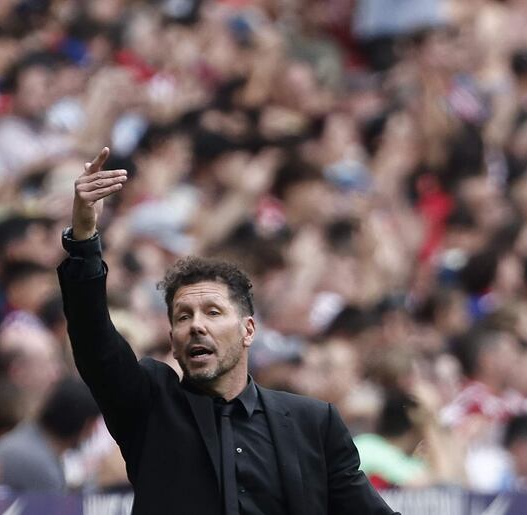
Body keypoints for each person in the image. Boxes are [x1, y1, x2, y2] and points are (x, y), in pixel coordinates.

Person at [57, 147, 398, 515]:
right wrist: (85, 242)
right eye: (183, 317)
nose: (196, 325)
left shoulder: (312, 423)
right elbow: (95, 341)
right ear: (172, 341)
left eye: (213, 312)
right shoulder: (150, 405)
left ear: (248, 330)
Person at [0, 378, 100, 493]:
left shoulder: (29, 440)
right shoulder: (40, 466)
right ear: (85, 425)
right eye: (94, 424)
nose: (95, 432)